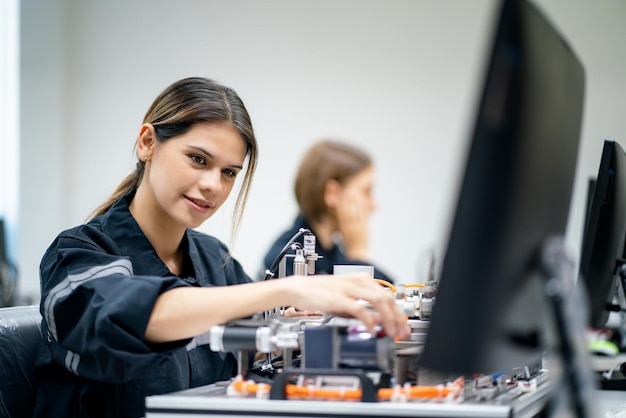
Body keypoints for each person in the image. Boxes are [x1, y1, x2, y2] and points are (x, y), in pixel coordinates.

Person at [32, 77, 409, 418]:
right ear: (148, 143)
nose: (214, 185)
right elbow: (125, 318)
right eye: (198, 159)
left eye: (229, 172)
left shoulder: (215, 260)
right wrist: (288, 288)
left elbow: (258, 349)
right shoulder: (77, 255)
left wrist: (300, 326)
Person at [262, 140, 395, 283]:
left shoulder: (333, 254)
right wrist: (358, 254)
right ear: (332, 193)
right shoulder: (287, 258)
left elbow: (389, 288)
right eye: (366, 191)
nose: (374, 205)